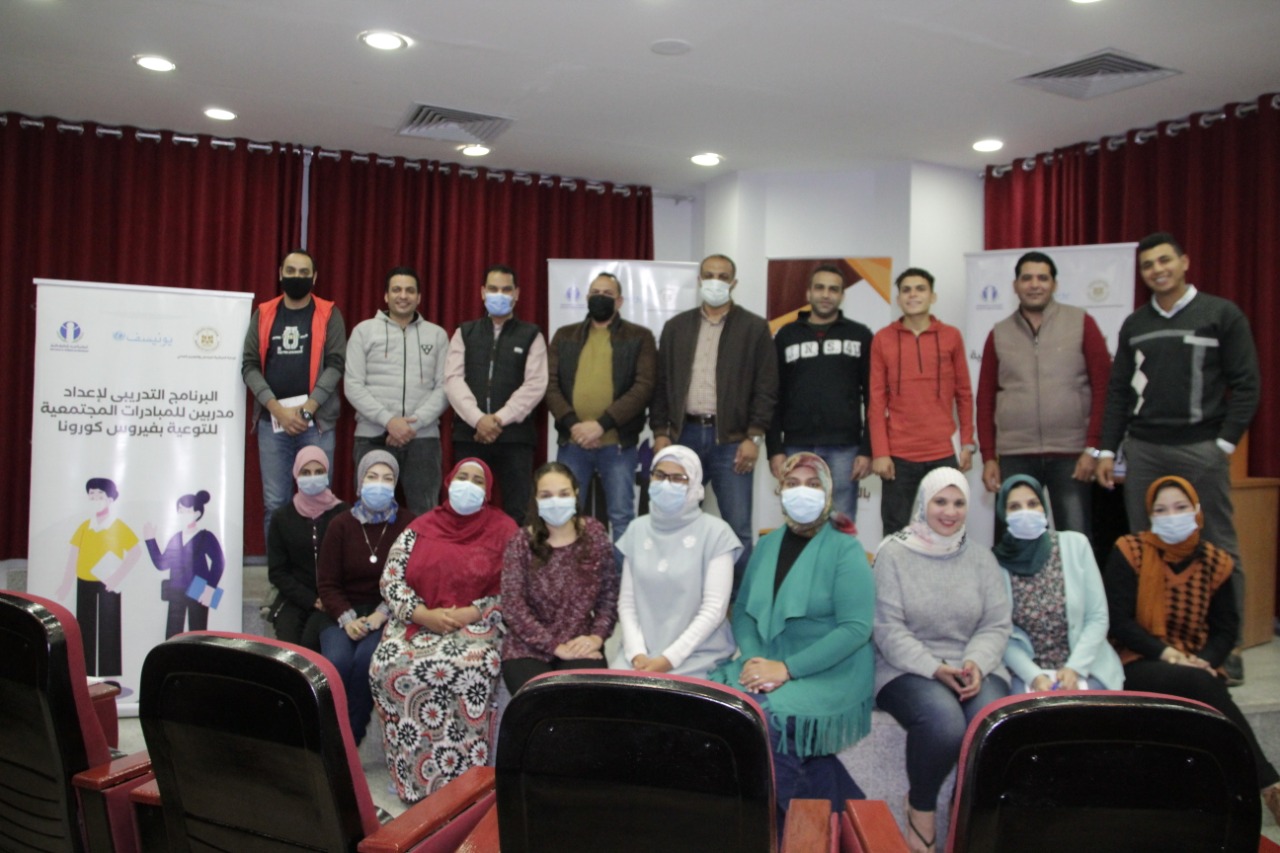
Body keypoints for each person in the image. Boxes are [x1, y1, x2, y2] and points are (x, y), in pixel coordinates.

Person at [1097, 232, 1259, 684]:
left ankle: (1229, 646)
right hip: (1144, 449)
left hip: (1201, 449)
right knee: (1143, 548)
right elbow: (1118, 391)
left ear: (1184, 262)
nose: (1157, 270)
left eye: (1164, 260)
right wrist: (1107, 449)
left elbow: (1247, 384)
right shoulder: (1135, 324)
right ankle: (1149, 643)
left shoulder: (1221, 314)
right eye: (1148, 264)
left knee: (1220, 546)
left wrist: (1224, 444)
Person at [1102, 475, 1280, 823]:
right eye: (1161, 510)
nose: (1172, 516)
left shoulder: (1217, 561)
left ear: (1197, 510)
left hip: (1196, 663)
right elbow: (1118, 621)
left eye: (1180, 507)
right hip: (1137, 660)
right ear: (1149, 514)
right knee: (1202, 685)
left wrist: (1204, 660)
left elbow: (1226, 629)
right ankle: (1268, 783)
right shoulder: (1130, 550)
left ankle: (1235, 801)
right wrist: (1168, 654)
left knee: (1201, 683)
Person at [710, 452, 873, 817]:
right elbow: (744, 611)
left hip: (829, 671)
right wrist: (755, 660)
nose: (803, 492)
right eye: (793, 483)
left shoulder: (845, 548)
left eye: (813, 484)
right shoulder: (768, 545)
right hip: (767, 661)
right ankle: (847, 813)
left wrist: (786, 669)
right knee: (722, 709)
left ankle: (794, 829)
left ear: (827, 492)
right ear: (781, 490)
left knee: (766, 723)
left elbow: (856, 628)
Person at [873, 467, 1011, 853]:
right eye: (940, 501)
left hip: (973, 666)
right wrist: (934, 668)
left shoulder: (982, 558)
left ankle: (965, 812)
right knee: (945, 725)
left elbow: (996, 624)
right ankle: (921, 808)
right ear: (923, 503)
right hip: (905, 667)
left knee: (993, 725)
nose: (950, 512)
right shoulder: (893, 553)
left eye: (959, 503)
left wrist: (976, 662)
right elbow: (887, 629)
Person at [369, 458, 517, 802]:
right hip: (418, 622)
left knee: (474, 668)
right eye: (462, 477)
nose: (468, 485)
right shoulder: (420, 527)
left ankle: (470, 786)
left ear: (488, 491)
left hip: (477, 624)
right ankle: (412, 780)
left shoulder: (506, 530)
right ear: (449, 482)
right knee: (389, 666)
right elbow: (391, 580)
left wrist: (472, 611)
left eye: (477, 480)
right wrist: (422, 614)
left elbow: (516, 588)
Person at [650, 254, 778, 592]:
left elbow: (766, 387)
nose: (715, 282)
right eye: (709, 275)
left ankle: (740, 603)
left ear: (733, 283)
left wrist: (754, 436)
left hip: (732, 441)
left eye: (722, 276)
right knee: (674, 520)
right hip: (683, 437)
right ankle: (678, 594)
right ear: (699, 280)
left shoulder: (754, 328)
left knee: (737, 528)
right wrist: (660, 432)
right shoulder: (677, 327)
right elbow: (661, 385)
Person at [977, 251, 1111, 537]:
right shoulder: (999, 333)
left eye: (1042, 278)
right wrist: (988, 456)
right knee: (1014, 540)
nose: (1034, 285)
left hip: (1071, 455)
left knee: (1075, 539)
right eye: (1027, 278)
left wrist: (1093, 448)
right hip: (1015, 454)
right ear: (1015, 286)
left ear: (1054, 284)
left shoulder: (1081, 323)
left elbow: (1103, 388)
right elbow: (985, 399)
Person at [242, 249, 347, 549]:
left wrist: (308, 408)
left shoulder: (329, 313)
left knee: (319, 499)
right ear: (280, 274)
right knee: (275, 503)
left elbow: (336, 364)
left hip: (317, 423)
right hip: (272, 423)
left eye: (303, 273)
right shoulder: (264, 313)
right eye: (291, 271)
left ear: (314, 277)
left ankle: (318, 572)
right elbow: (249, 365)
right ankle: (279, 573)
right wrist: (277, 409)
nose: (296, 277)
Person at [545, 271, 656, 547]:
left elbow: (643, 387)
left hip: (617, 444)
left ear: (619, 301)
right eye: (595, 293)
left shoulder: (639, 337)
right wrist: (574, 425)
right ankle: (570, 573)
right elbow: (550, 384)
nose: (600, 298)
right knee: (566, 515)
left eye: (607, 294)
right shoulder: (564, 335)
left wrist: (601, 425)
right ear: (586, 297)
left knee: (621, 516)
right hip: (572, 443)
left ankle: (621, 574)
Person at [611, 445, 738, 678]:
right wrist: (636, 653)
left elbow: (714, 609)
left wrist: (668, 660)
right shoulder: (636, 529)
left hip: (697, 655)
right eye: (659, 475)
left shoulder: (717, 533)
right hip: (639, 656)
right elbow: (627, 602)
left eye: (678, 478)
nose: (666, 484)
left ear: (694, 484)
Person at [868, 268, 975, 537]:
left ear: (932, 296)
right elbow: (876, 400)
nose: (913, 295)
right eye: (906, 290)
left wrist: (967, 443)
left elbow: (963, 393)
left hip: (944, 452)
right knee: (895, 530)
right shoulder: (883, 338)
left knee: (947, 527)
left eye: (920, 289)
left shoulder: (951, 336)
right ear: (898, 299)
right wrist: (880, 452)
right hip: (899, 455)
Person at [317, 450, 413, 745]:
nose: (379, 484)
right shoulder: (340, 524)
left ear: (395, 485)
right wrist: (347, 619)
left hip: (387, 612)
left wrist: (380, 615)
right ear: (360, 483)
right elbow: (327, 583)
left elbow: (410, 579)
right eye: (372, 477)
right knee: (336, 662)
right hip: (341, 612)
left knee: (367, 663)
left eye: (387, 478)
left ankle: (349, 740)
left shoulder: (409, 524)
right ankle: (328, 735)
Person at [993, 474, 1122, 692]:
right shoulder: (995, 562)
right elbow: (1000, 632)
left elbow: (1097, 617)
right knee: (1027, 710)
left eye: (1033, 504)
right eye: (1015, 507)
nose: (1026, 512)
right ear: (1003, 513)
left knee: (1085, 709)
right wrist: (1035, 677)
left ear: (1044, 507)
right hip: (1024, 672)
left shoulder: (1076, 545)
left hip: (1085, 665)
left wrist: (1074, 668)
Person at [500, 462, 619, 694]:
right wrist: (555, 646)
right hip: (527, 647)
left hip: (580, 643)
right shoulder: (520, 542)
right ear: (536, 499)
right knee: (537, 702)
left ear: (576, 494)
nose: (555, 501)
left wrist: (596, 638)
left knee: (578, 702)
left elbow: (609, 597)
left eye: (563, 494)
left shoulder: (595, 534)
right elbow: (513, 607)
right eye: (546, 495)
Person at [767, 265, 874, 523]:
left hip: (845, 447)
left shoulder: (860, 335)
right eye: (820, 288)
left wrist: (867, 449)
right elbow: (772, 395)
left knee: (841, 521)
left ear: (842, 295)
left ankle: (837, 554)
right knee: (799, 518)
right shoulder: (786, 335)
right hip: (796, 444)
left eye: (833, 289)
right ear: (808, 293)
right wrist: (774, 449)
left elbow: (874, 396)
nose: (826, 295)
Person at [444, 264, 548, 522]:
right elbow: (453, 379)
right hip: (470, 435)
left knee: (518, 511)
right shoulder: (464, 332)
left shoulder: (531, 335)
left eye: (505, 289)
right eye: (493, 289)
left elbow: (535, 384)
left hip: (515, 438)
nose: (499, 295)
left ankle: (516, 551)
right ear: (482, 292)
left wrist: (498, 419)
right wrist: (478, 419)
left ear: (516, 294)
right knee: (466, 506)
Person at [345, 266, 450, 516]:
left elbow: (445, 387)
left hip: (423, 438)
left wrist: (412, 424)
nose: (403, 296)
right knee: (372, 511)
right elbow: (353, 385)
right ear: (386, 295)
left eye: (410, 291)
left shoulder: (437, 335)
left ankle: (417, 547)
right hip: (372, 436)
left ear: (419, 297)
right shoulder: (363, 331)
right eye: (396, 290)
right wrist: (389, 422)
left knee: (424, 514)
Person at [55, 477, 142, 676]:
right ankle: (86, 675)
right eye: (91, 495)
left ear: (110, 499)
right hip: (84, 581)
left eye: (99, 495)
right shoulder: (85, 526)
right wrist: (66, 582)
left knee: (109, 628)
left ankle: (109, 675)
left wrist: (117, 577)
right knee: (84, 627)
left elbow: (135, 552)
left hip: (108, 583)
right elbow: (73, 555)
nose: (95, 499)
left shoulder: (117, 525)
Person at [268, 446, 346, 651]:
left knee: (316, 645)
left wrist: (330, 598)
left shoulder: (344, 514)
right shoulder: (282, 517)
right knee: (290, 652)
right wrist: (311, 600)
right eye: (306, 472)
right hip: (296, 598)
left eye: (318, 472)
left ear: (327, 473)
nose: (312, 478)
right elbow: (277, 572)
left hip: (336, 598)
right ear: (296, 475)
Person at [143, 490, 226, 639]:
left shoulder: (206, 536)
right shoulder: (176, 537)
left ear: (197, 513)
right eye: (180, 511)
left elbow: (219, 562)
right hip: (176, 587)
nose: (182, 514)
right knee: (173, 632)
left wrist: (210, 587)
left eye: (186, 511)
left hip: (199, 587)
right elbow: (162, 564)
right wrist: (150, 540)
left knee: (198, 631)